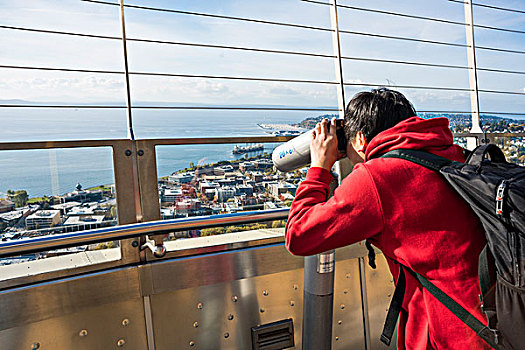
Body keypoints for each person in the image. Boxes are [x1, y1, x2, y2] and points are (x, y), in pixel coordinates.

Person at [285, 88, 491, 349]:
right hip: (501, 320)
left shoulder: (377, 176)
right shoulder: (458, 155)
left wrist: (319, 167)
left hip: (448, 335)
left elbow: (299, 235)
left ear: (359, 140)